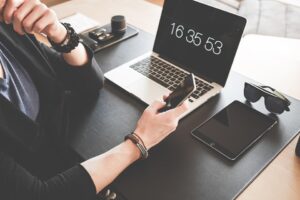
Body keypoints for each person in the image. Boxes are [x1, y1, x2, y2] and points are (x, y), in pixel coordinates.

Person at [0, 0, 188, 199]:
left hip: (67, 153)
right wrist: (140, 141)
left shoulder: (7, 30)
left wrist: (59, 33)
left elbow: (88, 82)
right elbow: (41, 195)